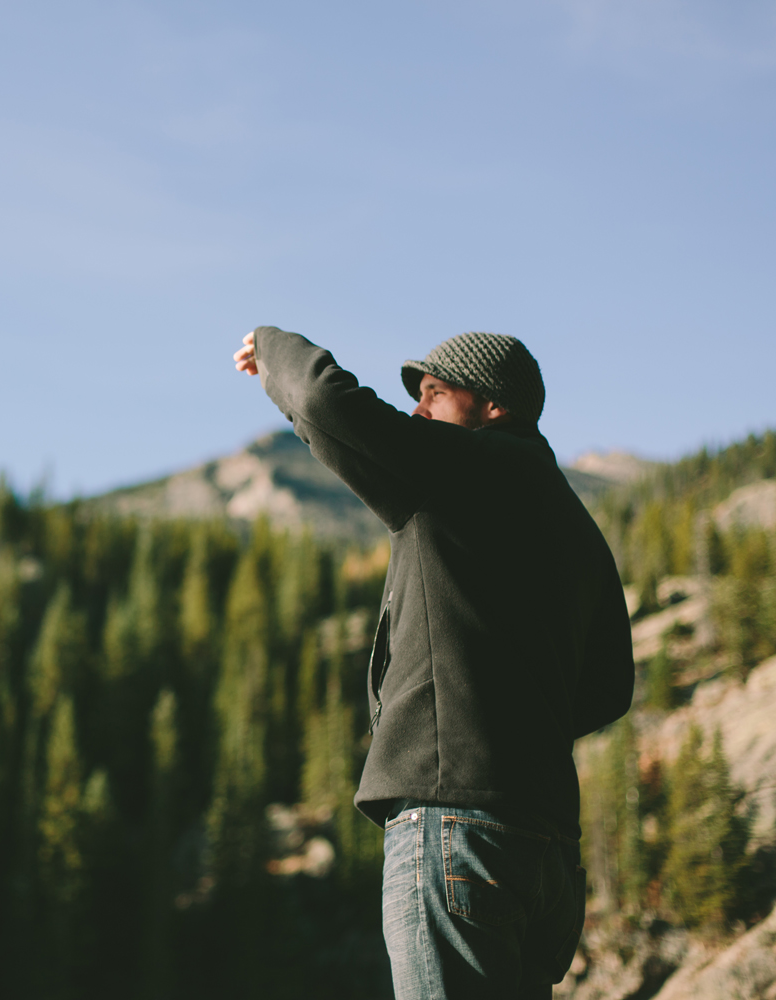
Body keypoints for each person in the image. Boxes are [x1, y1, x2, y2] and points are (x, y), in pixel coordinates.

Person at [232, 327, 633, 999]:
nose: (417, 412)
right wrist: (510, 715)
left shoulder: (462, 470)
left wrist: (269, 346)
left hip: (456, 825)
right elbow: (609, 688)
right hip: (549, 852)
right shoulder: (575, 526)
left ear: (494, 407)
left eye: (435, 395)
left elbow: (329, 406)